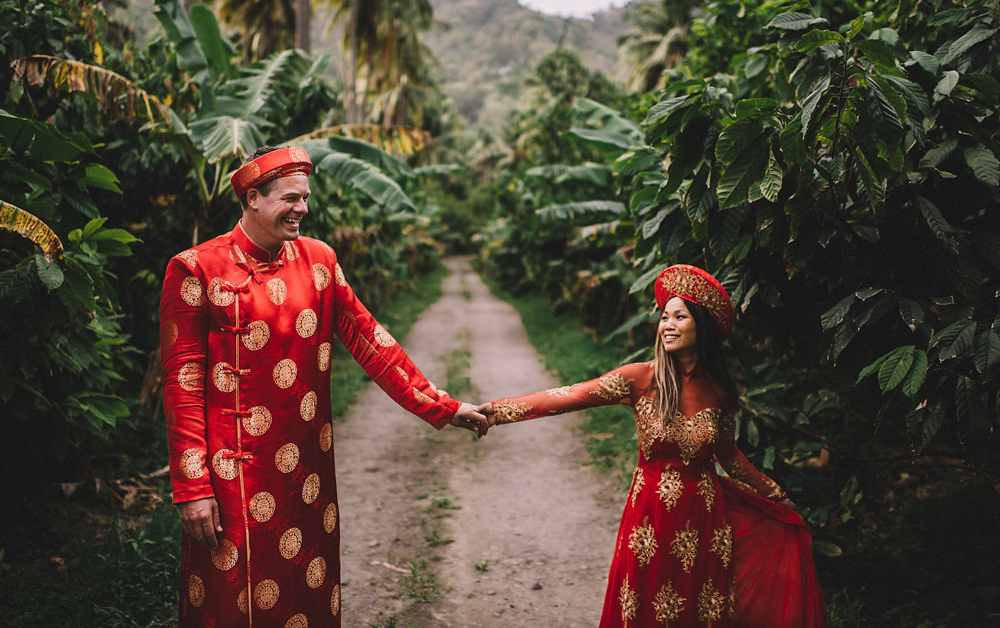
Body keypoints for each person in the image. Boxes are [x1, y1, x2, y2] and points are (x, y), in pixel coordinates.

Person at [159, 145, 488, 627]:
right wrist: (192, 489)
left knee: (308, 587)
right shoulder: (195, 269)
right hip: (233, 475)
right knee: (230, 599)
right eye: (290, 198)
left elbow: (373, 342)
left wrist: (441, 406)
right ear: (252, 197)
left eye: (306, 197)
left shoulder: (319, 262)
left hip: (308, 473)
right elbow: (182, 386)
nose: (303, 209)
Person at [481, 264, 827, 627]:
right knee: (646, 608)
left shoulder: (719, 392)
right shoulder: (638, 378)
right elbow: (567, 396)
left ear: (702, 326)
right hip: (650, 517)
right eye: (665, 317)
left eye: (680, 316)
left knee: (698, 608)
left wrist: (775, 494)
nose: (668, 325)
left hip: (704, 518)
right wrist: (497, 412)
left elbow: (729, 455)